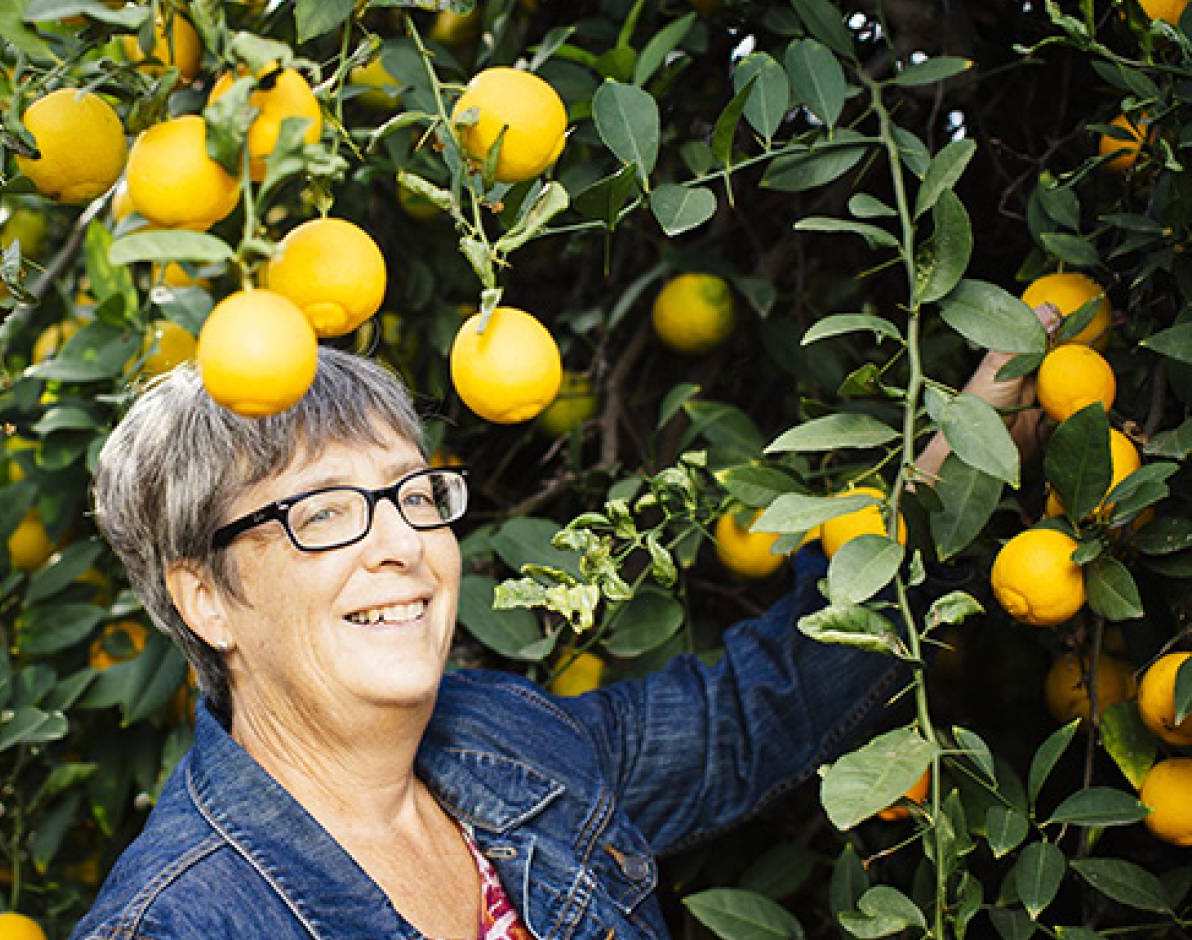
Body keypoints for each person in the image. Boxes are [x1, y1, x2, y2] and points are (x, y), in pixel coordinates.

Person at [76, 338, 1041, 939]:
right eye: (325, 511)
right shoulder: (177, 924)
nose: (400, 543)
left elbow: (757, 713)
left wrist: (954, 470)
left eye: (414, 494)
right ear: (205, 599)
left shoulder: (511, 742)